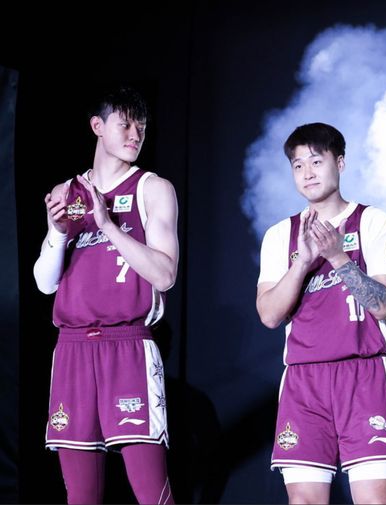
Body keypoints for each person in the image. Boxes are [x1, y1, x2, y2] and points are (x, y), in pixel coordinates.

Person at [33, 85, 178, 504]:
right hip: (72, 349)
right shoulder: (66, 192)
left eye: (142, 126)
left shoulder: (152, 188)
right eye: (125, 124)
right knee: (80, 497)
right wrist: (57, 232)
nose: (135, 134)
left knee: (152, 494)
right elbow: (44, 283)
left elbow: (165, 275)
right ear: (97, 126)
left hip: (127, 345)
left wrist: (108, 226)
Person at [256, 122, 386, 504]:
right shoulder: (280, 235)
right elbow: (269, 315)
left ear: (339, 163)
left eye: (316, 161)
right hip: (304, 379)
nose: (307, 172)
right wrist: (302, 262)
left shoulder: (374, 222)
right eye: (297, 165)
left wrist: (338, 256)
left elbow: (382, 304)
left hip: (365, 375)